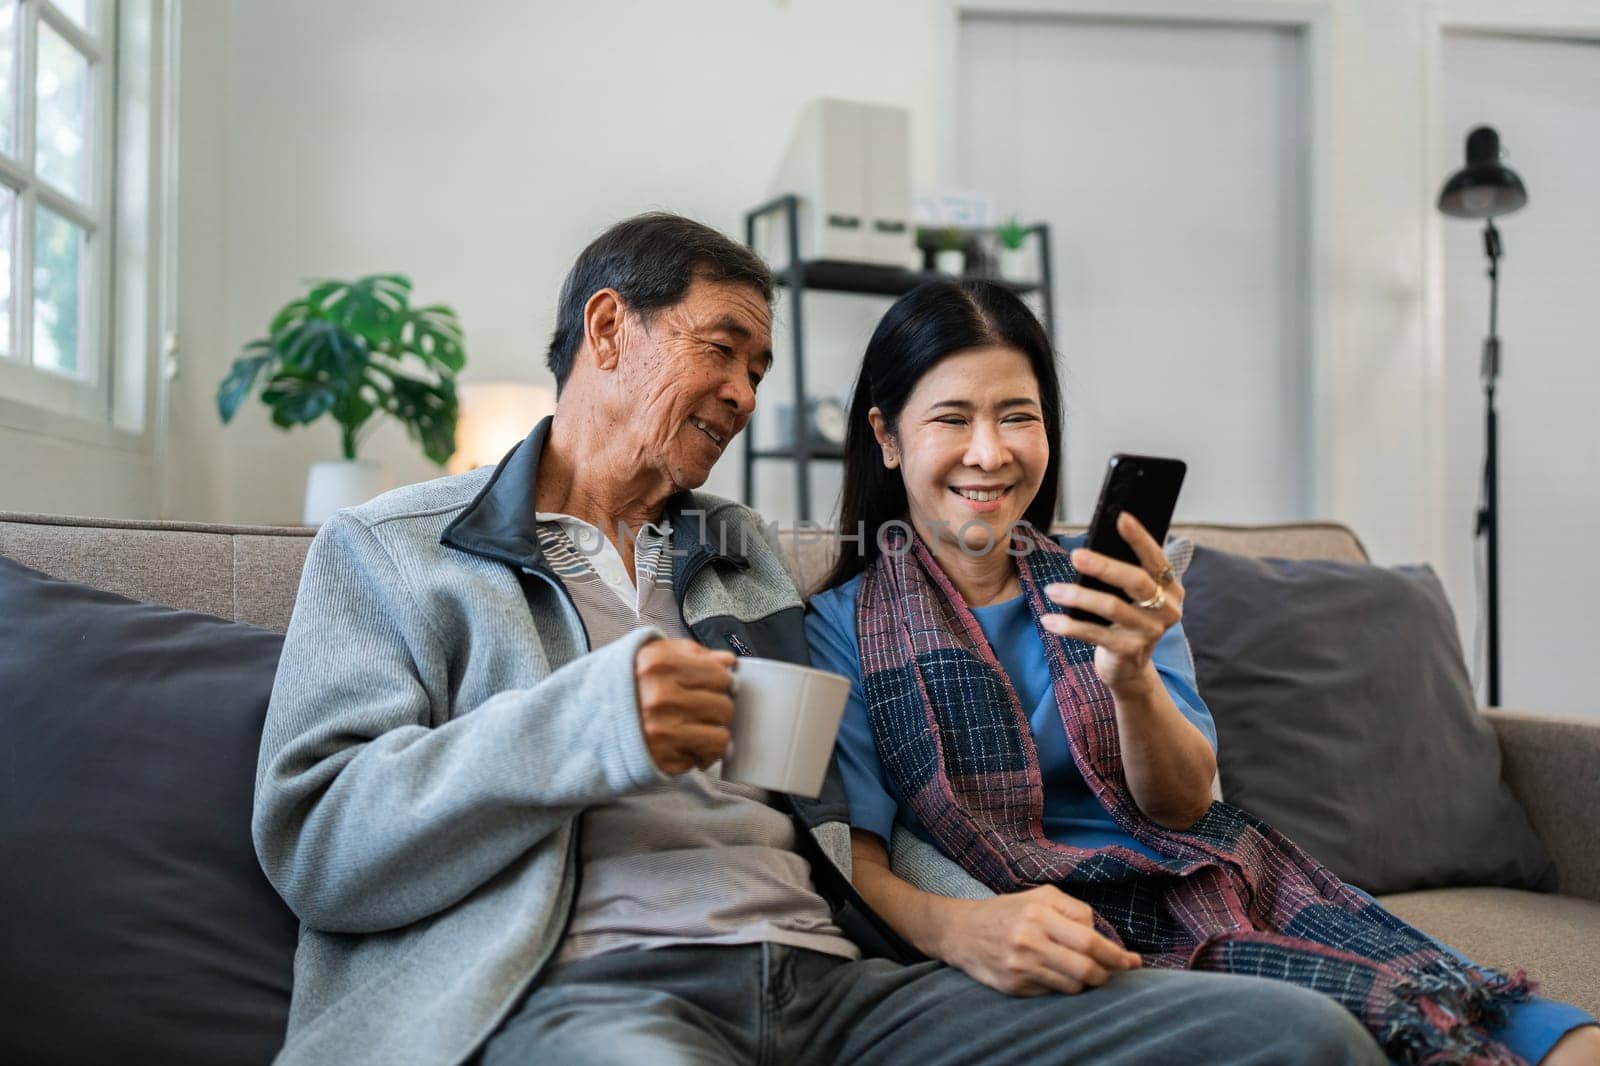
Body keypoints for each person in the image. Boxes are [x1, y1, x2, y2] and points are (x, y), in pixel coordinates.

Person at [254, 215, 1387, 1066]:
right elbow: (315, 843)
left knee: (1294, 1037)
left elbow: (840, 812)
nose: (745, 392)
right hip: (598, 990)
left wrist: (968, 926)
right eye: (723, 350)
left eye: (760, 368)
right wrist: (585, 724)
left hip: (834, 986)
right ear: (609, 328)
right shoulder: (395, 550)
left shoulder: (737, 549)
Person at [805, 278, 1600, 1066]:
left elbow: (1186, 806)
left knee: (1557, 1039)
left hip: (1216, 879)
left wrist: (1132, 674)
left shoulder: (1114, 587)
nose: (991, 452)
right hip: (1078, 932)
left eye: (1019, 416)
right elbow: (854, 857)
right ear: (888, 436)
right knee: (1326, 1035)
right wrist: (961, 928)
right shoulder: (843, 629)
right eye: (953, 418)